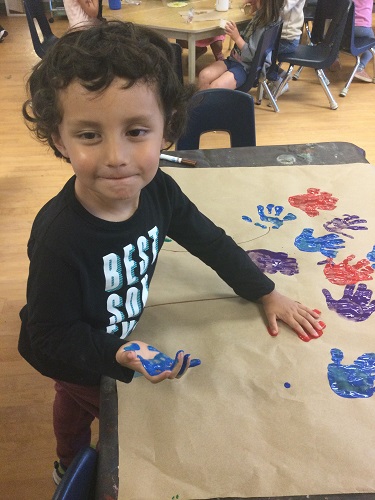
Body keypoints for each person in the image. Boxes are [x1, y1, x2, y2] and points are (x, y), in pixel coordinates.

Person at [19, 21, 324, 485]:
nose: (116, 155)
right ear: (59, 139)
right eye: (88, 135)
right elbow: (43, 339)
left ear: (167, 131)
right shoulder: (60, 239)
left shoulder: (159, 189)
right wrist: (114, 354)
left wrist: (264, 292)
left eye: (137, 130)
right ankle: (68, 462)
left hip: (124, 340)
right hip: (86, 359)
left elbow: (210, 241)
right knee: (78, 411)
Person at [197, 0, 284, 90]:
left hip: (245, 68)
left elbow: (252, 56)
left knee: (215, 87)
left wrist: (237, 37)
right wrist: (253, 6)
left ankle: (211, 102)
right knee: (203, 76)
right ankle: (205, 103)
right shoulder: (265, 15)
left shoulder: (263, 26)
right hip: (233, 60)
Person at [352, 0, 375, 82]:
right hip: (363, 27)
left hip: (346, 28)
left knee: (339, 40)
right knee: (373, 45)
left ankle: (335, 59)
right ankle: (360, 67)